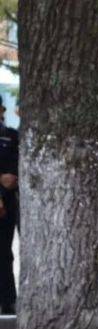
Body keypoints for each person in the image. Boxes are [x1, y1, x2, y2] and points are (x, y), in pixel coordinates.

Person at [0, 95, 18, 314]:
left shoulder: (11, 137)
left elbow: (15, 171)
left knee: (4, 252)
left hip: (8, 203)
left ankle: (7, 300)